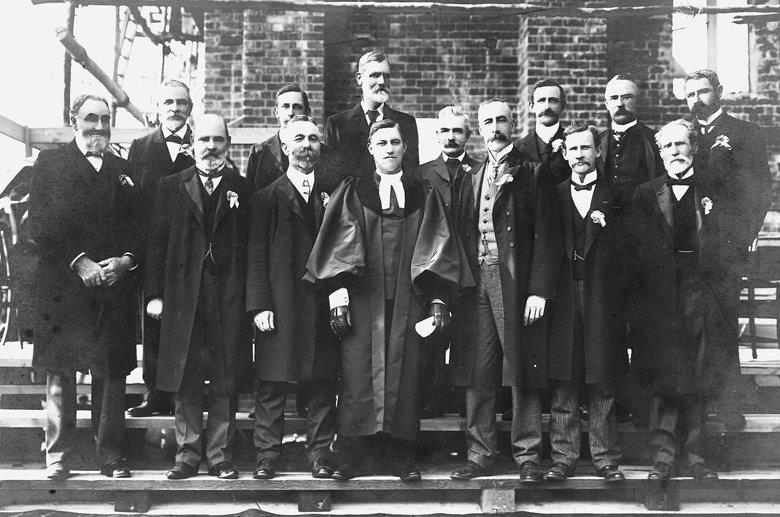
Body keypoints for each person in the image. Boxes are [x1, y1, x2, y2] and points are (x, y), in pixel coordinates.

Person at [305, 119, 472, 481]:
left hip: (410, 299)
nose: (389, 148)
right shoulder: (354, 190)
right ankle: (350, 455)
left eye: (395, 142)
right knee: (355, 374)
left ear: (405, 148)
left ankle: (402, 456)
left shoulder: (423, 192)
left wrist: (439, 300)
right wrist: (338, 297)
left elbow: (439, 246)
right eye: (381, 142)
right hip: (363, 300)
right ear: (370, 148)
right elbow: (339, 244)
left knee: (406, 374)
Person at [30, 93, 142, 480]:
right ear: (73, 120)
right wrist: (79, 261)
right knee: (61, 370)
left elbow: (139, 228)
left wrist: (126, 261)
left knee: (111, 371)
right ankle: (57, 455)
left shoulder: (123, 169)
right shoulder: (51, 164)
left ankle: (109, 455)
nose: (98, 126)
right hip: (64, 285)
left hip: (112, 287)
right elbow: (39, 226)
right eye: (91, 118)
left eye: (104, 119)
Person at [448, 99, 560, 481]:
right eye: (486, 122)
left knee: (520, 367)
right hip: (477, 280)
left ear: (513, 124)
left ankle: (527, 455)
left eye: (500, 120)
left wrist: (539, 290)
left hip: (516, 281)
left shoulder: (533, 172)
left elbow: (548, 235)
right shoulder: (471, 176)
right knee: (479, 369)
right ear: (479, 130)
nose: (494, 128)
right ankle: (479, 453)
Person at [628, 119, 742, 481]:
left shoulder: (713, 189)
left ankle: (695, 455)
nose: (675, 152)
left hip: (700, 291)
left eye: (681, 145)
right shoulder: (645, 193)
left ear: (693, 147)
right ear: (660, 153)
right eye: (667, 147)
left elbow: (727, 247)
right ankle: (663, 456)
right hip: (661, 297)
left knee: (698, 369)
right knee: (665, 372)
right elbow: (635, 255)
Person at [145, 114, 252, 480]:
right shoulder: (171, 186)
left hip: (227, 294)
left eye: (218, 140)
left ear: (228, 143)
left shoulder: (244, 187)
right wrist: (155, 295)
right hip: (182, 295)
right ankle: (187, 453)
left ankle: (220, 454)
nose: (211, 147)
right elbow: (156, 244)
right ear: (193, 143)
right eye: (204, 140)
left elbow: (252, 249)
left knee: (225, 374)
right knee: (186, 372)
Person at [246, 115, 339, 480]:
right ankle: (267, 455)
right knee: (271, 383)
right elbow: (255, 256)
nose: (306, 145)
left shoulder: (334, 194)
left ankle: (318, 454)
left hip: (321, 303)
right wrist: (259, 305)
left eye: (313, 139)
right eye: (298, 139)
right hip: (279, 304)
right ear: (284, 147)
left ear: (320, 147)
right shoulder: (266, 197)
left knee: (322, 382)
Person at [684, 68, 772, 430]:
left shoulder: (745, 133)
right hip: (688, 251)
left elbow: (760, 192)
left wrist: (740, 238)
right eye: (690, 95)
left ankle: (729, 409)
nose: (697, 100)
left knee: (721, 327)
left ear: (718, 92)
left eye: (703, 92)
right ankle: (694, 411)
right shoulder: (685, 136)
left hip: (725, 251)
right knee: (689, 327)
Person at [544, 123, 626, 482]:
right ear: (565, 154)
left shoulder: (616, 195)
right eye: (573, 149)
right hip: (563, 295)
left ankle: (605, 458)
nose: (579, 155)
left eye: (586, 148)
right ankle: (563, 458)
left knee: (602, 376)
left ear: (597, 153)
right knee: (564, 376)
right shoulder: (555, 194)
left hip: (602, 295)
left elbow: (628, 251)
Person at [126, 79, 195, 417]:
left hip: (191, 250)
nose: (174, 108)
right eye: (168, 101)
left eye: (181, 102)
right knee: (153, 319)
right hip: (151, 250)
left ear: (190, 108)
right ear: (157, 108)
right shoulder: (139, 147)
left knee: (188, 322)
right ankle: (155, 394)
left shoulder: (203, 145)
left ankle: (187, 394)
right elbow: (132, 201)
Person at [600, 74, 665, 425]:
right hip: (605, 250)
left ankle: (641, 407)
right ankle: (615, 404)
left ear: (637, 100)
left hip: (643, 252)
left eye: (627, 97)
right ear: (606, 102)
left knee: (642, 327)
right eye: (614, 98)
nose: (620, 104)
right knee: (608, 327)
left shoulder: (653, 141)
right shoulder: (596, 141)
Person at [417, 106, 480, 418]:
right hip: (433, 267)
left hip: (471, 267)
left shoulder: (480, 172)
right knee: (432, 333)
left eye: (458, 131)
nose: (451, 136)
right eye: (445, 131)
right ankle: (432, 397)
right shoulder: (421, 174)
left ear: (468, 135)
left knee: (469, 336)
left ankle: (462, 401)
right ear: (437, 135)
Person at [324, 51, 419, 176]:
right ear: (359, 78)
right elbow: (331, 175)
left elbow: (411, 174)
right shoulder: (337, 124)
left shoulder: (406, 122)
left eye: (386, 76)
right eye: (375, 75)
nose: (382, 81)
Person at [245, 84, 311, 191]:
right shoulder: (258, 153)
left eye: (297, 107)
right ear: (276, 112)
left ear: (307, 112)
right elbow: (249, 197)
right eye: (285, 106)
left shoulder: (321, 152)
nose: (290, 113)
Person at [516, 79, 571, 185]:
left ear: (563, 106)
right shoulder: (517, 149)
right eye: (541, 100)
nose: (547, 107)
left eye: (553, 101)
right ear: (532, 106)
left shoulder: (574, 142)